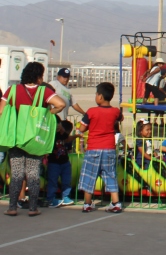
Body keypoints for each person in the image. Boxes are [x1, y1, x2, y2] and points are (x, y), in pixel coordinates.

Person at [0, 61, 67, 216]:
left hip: (16, 137)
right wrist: (47, 114)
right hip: (35, 138)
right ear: (38, 77)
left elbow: (1, 110)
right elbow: (61, 104)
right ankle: (32, 208)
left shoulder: (12, 90)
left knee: (16, 173)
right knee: (33, 173)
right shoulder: (44, 91)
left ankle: (12, 207)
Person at [77, 82, 123, 213]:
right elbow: (121, 118)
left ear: (101, 96)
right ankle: (116, 203)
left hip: (93, 148)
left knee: (89, 175)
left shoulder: (91, 111)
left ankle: (87, 204)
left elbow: (82, 128)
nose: (96, 96)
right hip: (109, 148)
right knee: (110, 175)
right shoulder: (115, 111)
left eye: (96, 94)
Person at [47, 118, 76, 208]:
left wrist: (77, 136)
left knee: (67, 180)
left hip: (65, 162)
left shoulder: (63, 135)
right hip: (53, 162)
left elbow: (68, 139)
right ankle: (51, 199)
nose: (60, 127)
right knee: (52, 181)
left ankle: (66, 196)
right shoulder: (51, 135)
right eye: (58, 125)